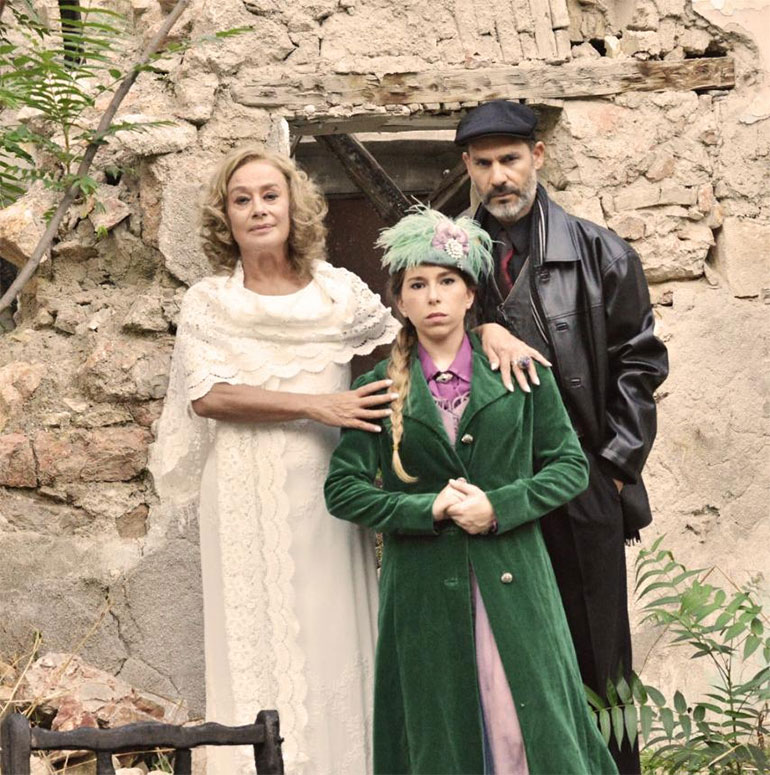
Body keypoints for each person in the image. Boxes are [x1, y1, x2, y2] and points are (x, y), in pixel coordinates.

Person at [324, 207, 619, 775]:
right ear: (400, 302)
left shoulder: (520, 372)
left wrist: (498, 506)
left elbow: (569, 467)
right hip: (423, 591)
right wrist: (425, 508)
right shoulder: (377, 389)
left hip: (516, 577)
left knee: (528, 722)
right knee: (439, 729)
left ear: (469, 295)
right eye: (417, 285)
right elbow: (344, 490)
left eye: (446, 281)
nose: (433, 296)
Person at [148, 145, 400, 774]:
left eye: (270, 195)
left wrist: (488, 332)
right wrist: (319, 404)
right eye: (242, 200)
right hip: (242, 492)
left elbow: (414, 341)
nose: (258, 209)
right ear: (225, 218)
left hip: (324, 491)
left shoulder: (339, 293)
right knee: (252, 640)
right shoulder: (209, 301)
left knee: (334, 631)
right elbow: (208, 397)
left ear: (293, 206)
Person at [456, 99, 670, 774]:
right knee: (502, 664)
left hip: (583, 483)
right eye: (484, 164)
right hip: (487, 490)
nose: (499, 177)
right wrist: (481, 327)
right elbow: (419, 340)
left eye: (510, 159)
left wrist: (614, 469)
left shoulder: (601, 250)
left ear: (538, 157)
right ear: (468, 167)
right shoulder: (447, 256)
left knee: (598, 662)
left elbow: (641, 362)